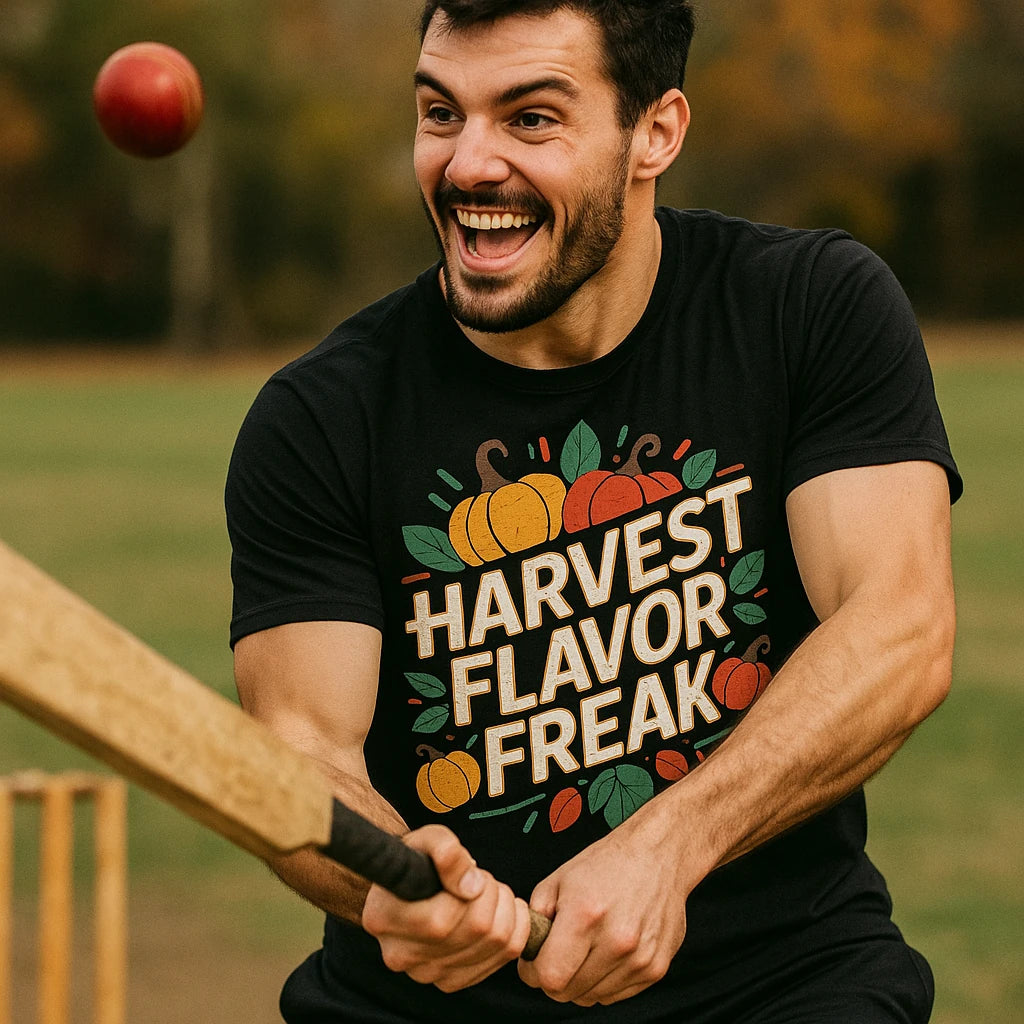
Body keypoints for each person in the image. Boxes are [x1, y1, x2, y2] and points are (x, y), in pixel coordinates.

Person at [224, 2, 962, 1021]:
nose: (468, 164)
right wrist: (381, 877)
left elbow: (898, 628)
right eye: (441, 113)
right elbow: (300, 750)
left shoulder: (805, 307)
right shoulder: (322, 416)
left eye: (530, 118)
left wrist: (671, 843)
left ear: (655, 131)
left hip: (782, 986)